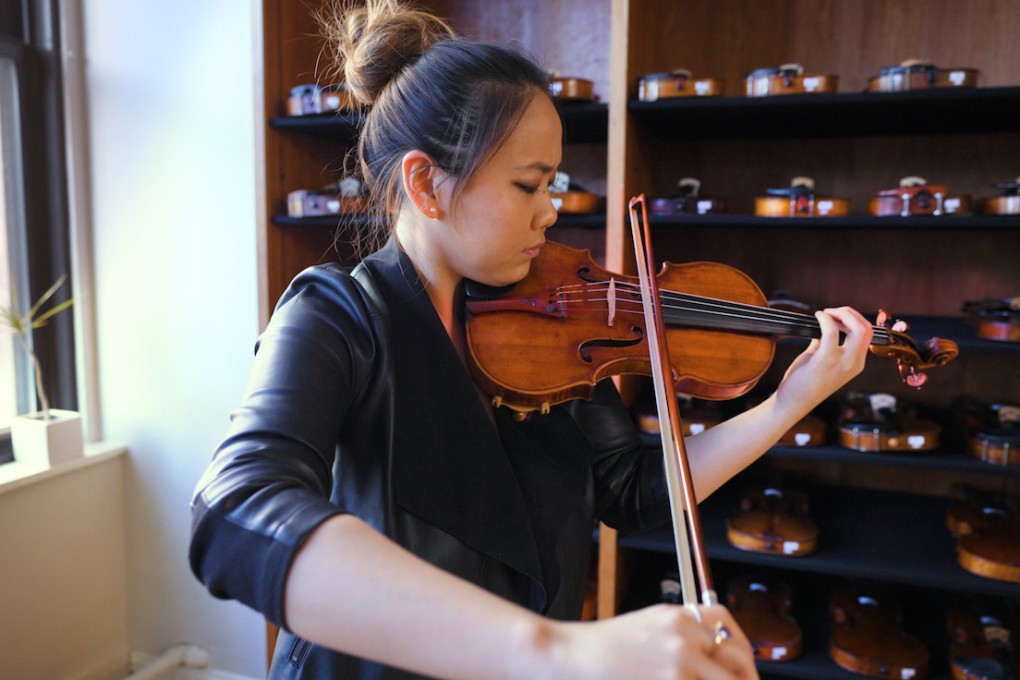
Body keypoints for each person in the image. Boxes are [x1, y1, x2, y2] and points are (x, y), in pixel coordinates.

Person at [189, 1, 873, 678]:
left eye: (555, 182)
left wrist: (787, 404)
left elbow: (631, 492)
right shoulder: (337, 313)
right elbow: (237, 507)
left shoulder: (552, 314)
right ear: (426, 184)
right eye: (529, 184)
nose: (551, 210)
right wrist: (551, 649)